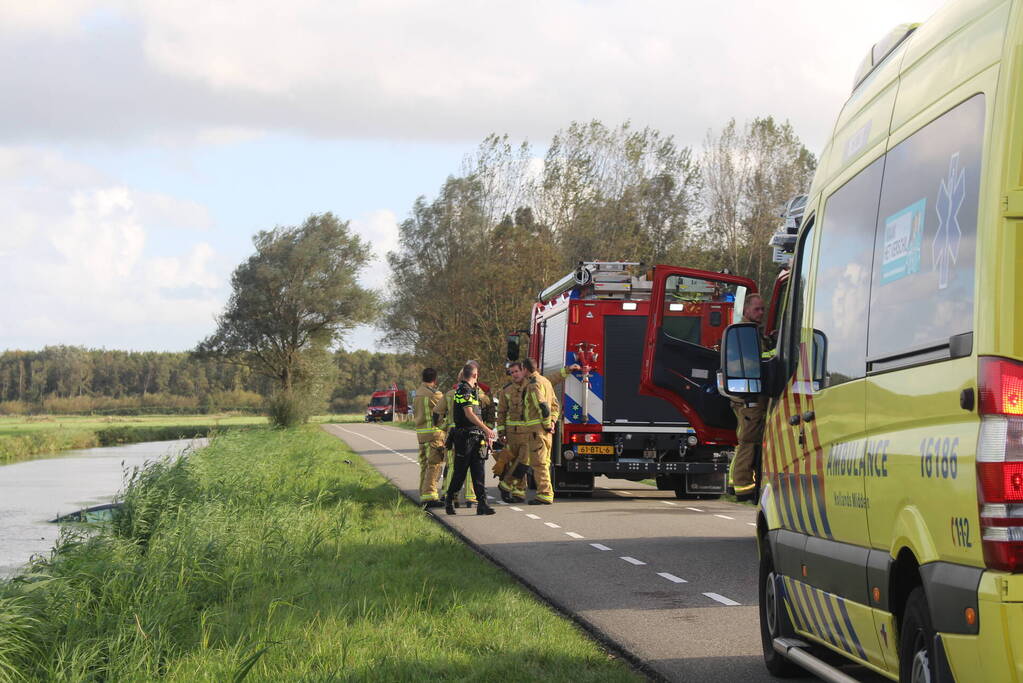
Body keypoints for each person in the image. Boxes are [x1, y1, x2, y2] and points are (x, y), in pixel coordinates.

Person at [730, 293, 769, 502]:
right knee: (748, 440)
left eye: (763, 309)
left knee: (745, 440)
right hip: (749, 397)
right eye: (757, 309)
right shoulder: (745, 334)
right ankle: (743, 487)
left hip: (751, 396)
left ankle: (734, 484)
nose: (761, 313)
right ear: (745, 311)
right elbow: (755, 363)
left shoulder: (753, 333)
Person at [445, 362, 497, 515]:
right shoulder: (463, 389)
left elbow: (477, 413)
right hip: (465, 437)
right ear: (475, 375)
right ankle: (449, 500)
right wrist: (487, 429)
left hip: (476, 436)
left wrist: (484, 433)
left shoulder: (472, 390)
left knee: (478, 471)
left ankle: (482, 504)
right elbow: (468, 413)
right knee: (460, 472)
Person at [522, 357, 560, 505]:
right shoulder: (546, 382)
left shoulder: (534, 385)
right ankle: (546, 492)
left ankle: (544, 494)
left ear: (525, 369)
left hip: (537, 431)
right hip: (545, 431)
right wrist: (552, 421)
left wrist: (547, 424)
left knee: (539, 463)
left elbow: (543, 406)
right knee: (545, 461)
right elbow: (555, 405)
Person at [496, 361, 530, 503]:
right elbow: (502, 412)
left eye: (516, 371)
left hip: (528, 432)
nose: (514, 374)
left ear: (523, 371)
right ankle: (519, 492)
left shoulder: (532, 386)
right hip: (511, 433)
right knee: (513, 462)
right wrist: (501, 432)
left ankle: (506, 484)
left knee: (524, 461)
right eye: (512, 372)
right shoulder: (506, 390)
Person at [413, 368, 446, 508]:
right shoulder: (435, 395)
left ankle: (423, 493)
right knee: (434, 465)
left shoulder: (417, 394)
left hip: (421, 434)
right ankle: (430, 496)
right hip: (434, 435)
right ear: (435, 380)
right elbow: (444, 412)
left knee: (424, 466)